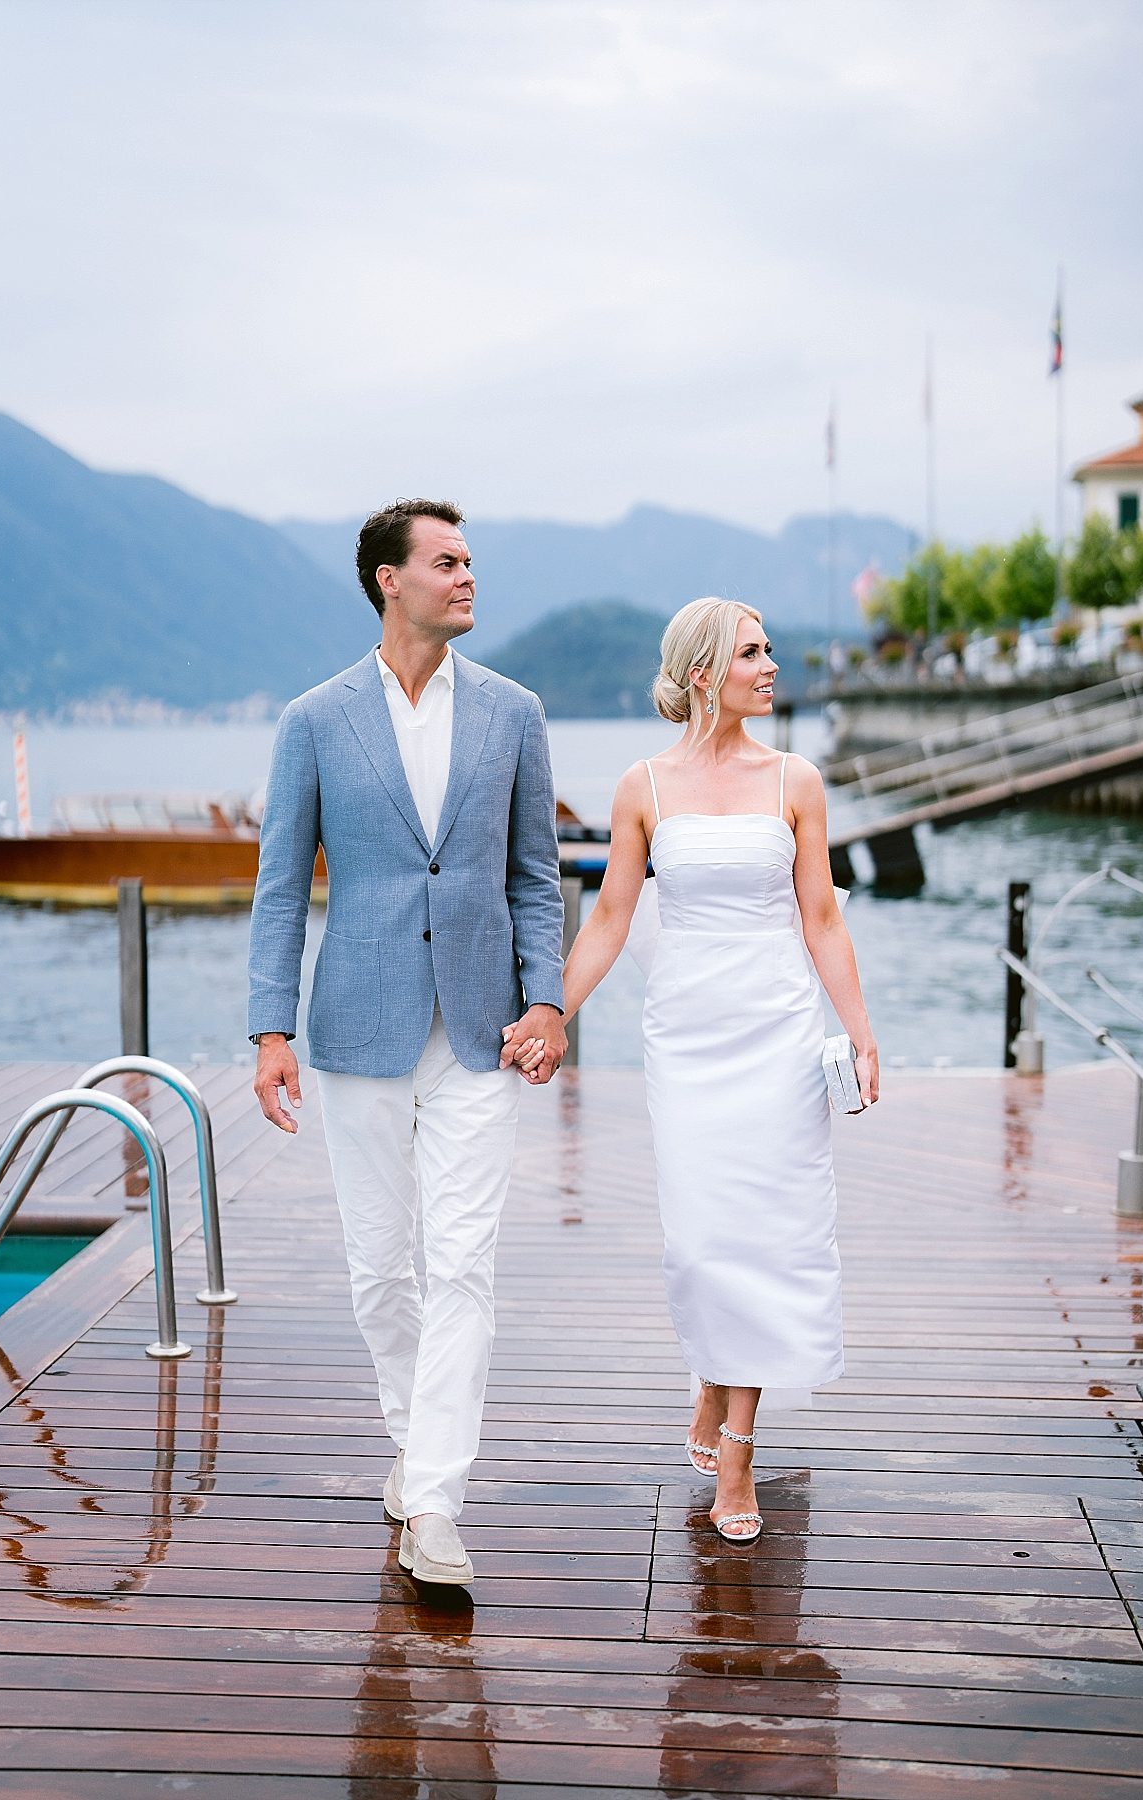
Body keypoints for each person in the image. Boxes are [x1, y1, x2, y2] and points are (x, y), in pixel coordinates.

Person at [503, 596, 877, 1543]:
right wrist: (551, 1014)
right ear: (707, 671)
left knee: (762, 1232)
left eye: (769, 648)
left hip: (779, 1034)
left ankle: (740, 1453)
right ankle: (712, 1376)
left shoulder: (797, 780)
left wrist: (862, 1033)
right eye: (753, 652)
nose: (772, 665)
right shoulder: (644, 788)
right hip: (688, 1038)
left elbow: (822, 918)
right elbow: (611, 920)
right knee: (704, 1239)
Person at [248, 498, 566, 1587]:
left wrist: (550, 1003)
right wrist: (270, 1030)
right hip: (358, 1027)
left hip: (483, 1031)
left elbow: (535, 876)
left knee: (463, 1265)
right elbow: (280, 886)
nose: (468, 575)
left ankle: (435, 1501)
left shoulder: (515, 713)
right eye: (446, 561)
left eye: (472, 559)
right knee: (382, 1269)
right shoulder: (316, 720)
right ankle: (411, 1440)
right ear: (390, 580)